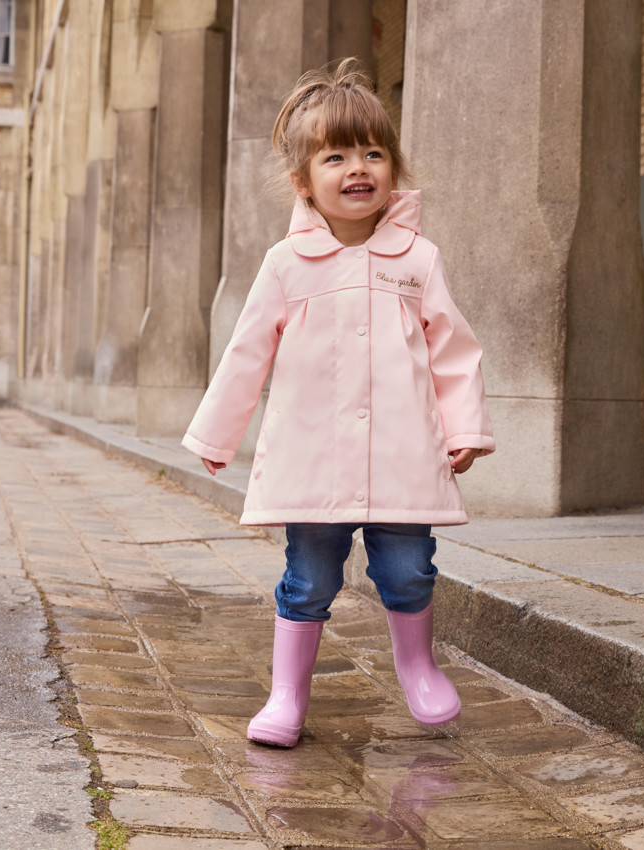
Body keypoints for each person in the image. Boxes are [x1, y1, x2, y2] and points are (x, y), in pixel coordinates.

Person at [182, 58, 495, 748]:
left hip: (402, 455)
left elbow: (454, 351)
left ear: (393, 170)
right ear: (304, 183)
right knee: (310, 575)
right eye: (337, 156)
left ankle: (417, 665)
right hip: (314, 458)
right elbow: (246, 352)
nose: (359, 167)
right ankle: (287, 695)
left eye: (373, 153)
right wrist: (216, 434)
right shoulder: (286, 265)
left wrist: (464, 425)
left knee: (408, 567)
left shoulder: (418, 259)